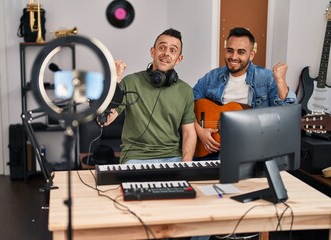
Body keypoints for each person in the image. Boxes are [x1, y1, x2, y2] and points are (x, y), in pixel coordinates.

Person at [193, 27, 297, 157]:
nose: (234, 57)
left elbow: (288, 116)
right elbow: (186, 106)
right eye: (230, 51)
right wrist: (199, 130)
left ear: (251, 54)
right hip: (213, 152)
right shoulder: (212, 77)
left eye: (241, 52)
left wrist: (281, 82)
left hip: (252, 152)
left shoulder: (267, 78)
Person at [104, 28, 197, 164]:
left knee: (182, 186)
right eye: (162, 47)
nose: (166, 53)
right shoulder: (130, 82)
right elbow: (106, 119)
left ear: (179, 59)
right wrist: (116, 80)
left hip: (172, 157)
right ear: (152, 52)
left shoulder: (186, 91)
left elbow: (189, 132)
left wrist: (186, 163)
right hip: (135, 158)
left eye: (173, 50)